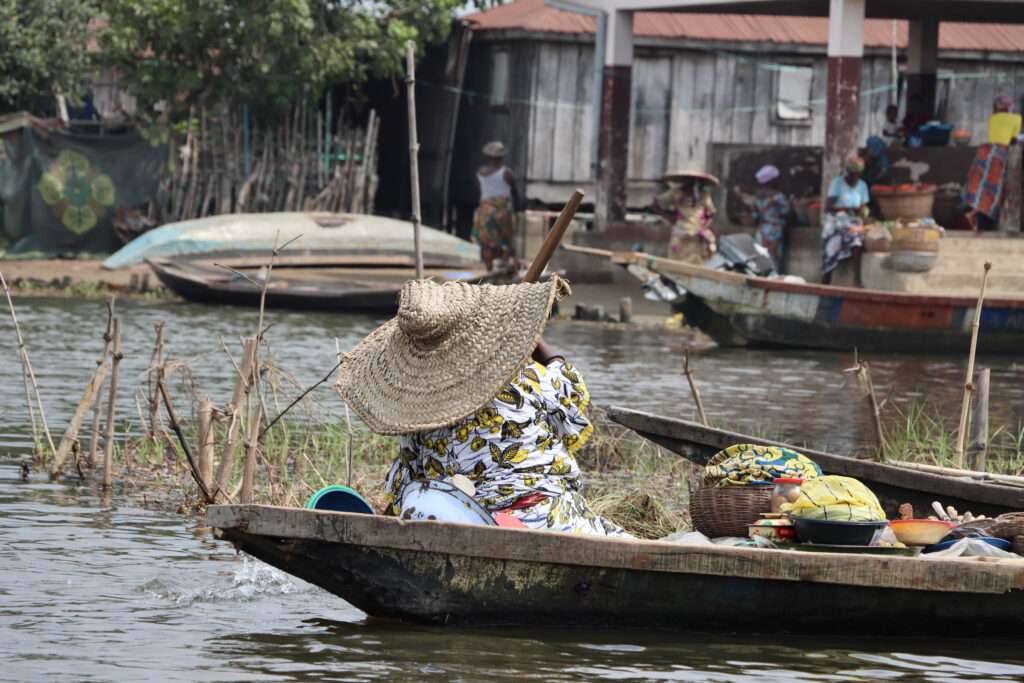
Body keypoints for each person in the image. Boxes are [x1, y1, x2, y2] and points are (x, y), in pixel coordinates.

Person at [336, 277, 628, 536]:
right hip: (545, 521)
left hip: (462, 520)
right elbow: (570, 389)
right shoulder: (526, 381)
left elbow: (409, 483)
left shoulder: (416, 412)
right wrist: (536, 342)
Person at [962, 95, 1022, 230]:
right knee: (994, 190)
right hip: (1001, 155)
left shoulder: (992, 119)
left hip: (985, 152)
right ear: (1009, 107)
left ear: (995, 107)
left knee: (978, 186)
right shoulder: (1017, 119)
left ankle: (972, 211)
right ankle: (981, 217)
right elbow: (1013, 141)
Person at [821, 154, 870, 287]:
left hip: (853, 221)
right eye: (853, 174)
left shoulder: (862, 186)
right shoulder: (837, 182)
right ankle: (826, 279)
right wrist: (847, 209)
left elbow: (864, 206)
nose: (855, 177)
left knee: (856, 239)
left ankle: (857, 280)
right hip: (837, 220)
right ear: (848, 172)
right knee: (833, 240)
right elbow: (828, 207)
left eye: (858, 174)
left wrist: (863, 213)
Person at [652, 170, 718, 263]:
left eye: (694, 182)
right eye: (689, 181)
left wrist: (704, 225)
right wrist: (669, 216)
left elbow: (711, 213)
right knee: (677, 261)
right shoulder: (676, 193)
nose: (691, 185)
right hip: (680, 232)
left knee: (696, 262)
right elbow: (656, 204)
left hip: (697, 235)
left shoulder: (704, 195)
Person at [473, 141, 519, 270]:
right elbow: (515, 192)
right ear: (502, 157)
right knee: (505, 240)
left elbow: (480, 190)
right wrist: (518, 209)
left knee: (488, 243)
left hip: (485, 209)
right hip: (502, 210)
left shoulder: (480, 173)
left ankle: (489, 270)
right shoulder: (506, 173)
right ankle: (505, 267)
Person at [751, 164, 789, 270]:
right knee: (774, 260)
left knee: (760, 260)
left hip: (761, 231)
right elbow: (786, 212)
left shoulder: (757, 197)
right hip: (775, 231)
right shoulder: (779, 197)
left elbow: (755, 216)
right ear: (772, 180)